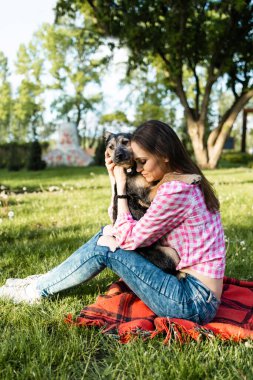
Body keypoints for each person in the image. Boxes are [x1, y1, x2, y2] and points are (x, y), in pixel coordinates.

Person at [0, 120, 225, 325]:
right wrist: (114, 180)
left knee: (107, 247)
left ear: (164, 154)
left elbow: (128, 238)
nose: (137, 169)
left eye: (142, 162)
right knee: (107, 235)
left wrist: (119, 182)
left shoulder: (176, 190)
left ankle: (36, 290)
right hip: (191, 290)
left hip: (192, 302)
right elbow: (120, 221)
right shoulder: (181, 181)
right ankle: (43, 282)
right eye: (135, 163)